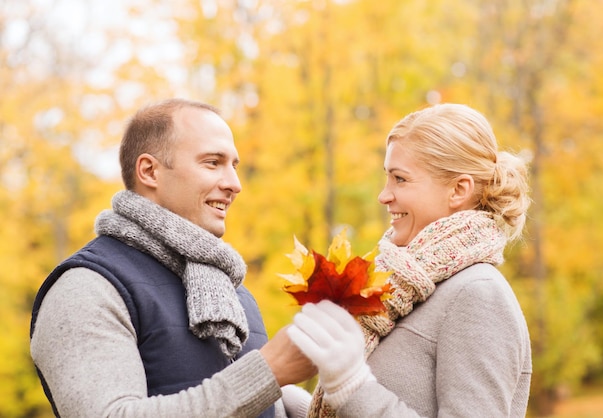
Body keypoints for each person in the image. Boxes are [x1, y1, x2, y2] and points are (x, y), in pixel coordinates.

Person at [30, 98, 315, 417]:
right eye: (212, 162)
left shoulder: (231, 290)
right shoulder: (86, 287)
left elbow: (218, 384)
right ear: (150, 171)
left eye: (233, 165)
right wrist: (268, 373)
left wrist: (298, 403)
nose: (235, 184)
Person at [288, 103, 533, 417]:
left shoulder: (478, 294)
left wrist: (351, 384)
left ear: (458, 190)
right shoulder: (402, 290)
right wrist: (286, 402)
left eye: (400, 179)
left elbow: (365, 398)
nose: (384, 195)